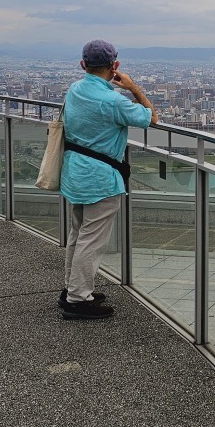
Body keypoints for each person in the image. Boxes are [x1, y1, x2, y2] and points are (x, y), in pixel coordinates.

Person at [59, 39, 158, 318]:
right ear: (115, 66)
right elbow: (152, 118)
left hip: (75, 172)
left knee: (78, 234)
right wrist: (133, 87)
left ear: (82, 65)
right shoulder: (113, 100)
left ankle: (73, 289)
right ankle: (78, 299)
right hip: (101, 178)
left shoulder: (75, 89)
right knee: (92, 239)